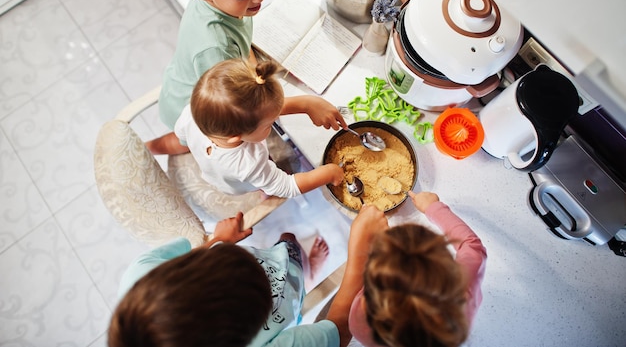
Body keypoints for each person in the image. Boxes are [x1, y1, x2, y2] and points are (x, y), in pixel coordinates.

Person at [146, 0, 346, 155]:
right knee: (183, 142)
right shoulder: (215, 48)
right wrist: (305, 104)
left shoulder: (222, 2)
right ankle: (146, 149)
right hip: (196, 109)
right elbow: (244, 109)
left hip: (187, 80)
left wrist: (251, 68)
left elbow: (241, 41)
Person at [108, 206, 388, 347]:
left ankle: (302, 271)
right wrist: (360, 255)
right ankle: (305, 278)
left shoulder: (141, 274)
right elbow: (336, 332)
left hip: (279, 281)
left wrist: (219, 240)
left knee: (287, 244)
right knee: (292, 292)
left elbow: (189, 251)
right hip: (286, 312)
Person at [175, 58, 344, 198]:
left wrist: (306, 104)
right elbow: (285, 187)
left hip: (215, 164)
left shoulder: (193, 112)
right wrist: (328, 173)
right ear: (236, 136)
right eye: (269, 125)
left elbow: (180, 132)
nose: (271, 125)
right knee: (262, 182)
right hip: (235, 184)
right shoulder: (249, 164)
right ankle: (262, 188)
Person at [348, 191, 488, 347]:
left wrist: (367, 242)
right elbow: (473, 247)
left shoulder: (359, 321)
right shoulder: (462, 292)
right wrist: (434, 208)